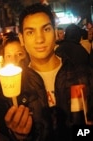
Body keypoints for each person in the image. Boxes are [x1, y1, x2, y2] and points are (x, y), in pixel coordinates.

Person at [18, 3, 93, 141]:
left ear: (56, 32)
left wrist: (83, 132)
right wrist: (19, 134)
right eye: (30, 32)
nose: (39, 39)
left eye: (46, 29)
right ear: (22, 39)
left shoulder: (83, 75)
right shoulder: (17, 85)